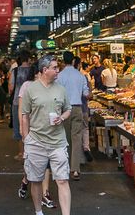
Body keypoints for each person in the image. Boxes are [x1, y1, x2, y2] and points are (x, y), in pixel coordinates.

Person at [21, 55, 72, 215]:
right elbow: (25, 115)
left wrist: (62, 117)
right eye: (55, 68)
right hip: (36, 142)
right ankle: (38, 211)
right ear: (44, 70)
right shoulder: (30, 89)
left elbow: (68, 109)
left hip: (58, 142)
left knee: (62, 180)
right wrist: (26, 139)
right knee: (35, 180)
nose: (58, 71)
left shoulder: (61, 89)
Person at [56, 50, 89, 181]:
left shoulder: (60, 76)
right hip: (77, 108)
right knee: (76, 139)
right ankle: (75, 170)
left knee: (65, 138)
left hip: (64, 110)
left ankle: (65, 167)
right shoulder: (80, 76)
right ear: (74, 61)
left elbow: (57, 94)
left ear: (63, 61)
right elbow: (86, 94)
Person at [10, 50, 32, 153]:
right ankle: (31, 152)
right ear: (28, 59)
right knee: (31, 127)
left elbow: (11, 87)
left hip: (17, 102)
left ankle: (21, 153)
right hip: (32, 103)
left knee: (19, 126)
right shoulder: (34, 71)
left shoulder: (15, 71)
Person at [75, 58, 93, 163]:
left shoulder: (63, 77)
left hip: (71, 109)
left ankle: (77, 153)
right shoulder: (83, 77)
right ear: (79, 65)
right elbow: (88, 95)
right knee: (85, 128)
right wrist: (90, 89)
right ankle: (86, 147)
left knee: (75, 131)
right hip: (83, 107)